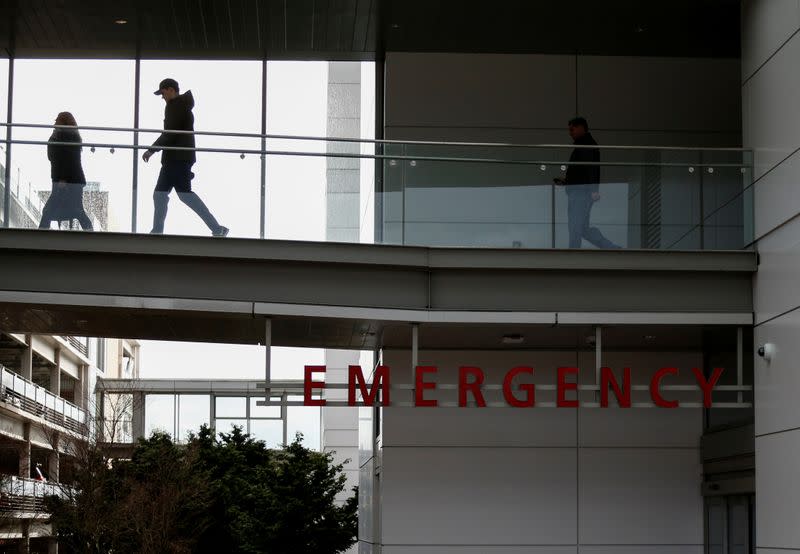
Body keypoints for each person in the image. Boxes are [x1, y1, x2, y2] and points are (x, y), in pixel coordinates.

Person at [142, 78, 228, 236]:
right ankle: (216, 228)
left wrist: (151, 150)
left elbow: (170, 133)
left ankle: (217, 228)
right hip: (177, 157)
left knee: (180, 195)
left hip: (177, 158)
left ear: (171, 90)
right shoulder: (181, 106)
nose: (162, 97)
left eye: (163, 93)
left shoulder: (175, 106)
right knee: (167, 195)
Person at [554, 117, 618, 249]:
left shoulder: (586, 144)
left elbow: (591, 168)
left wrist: (594, 189)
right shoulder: (584, 145)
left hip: (581, 193)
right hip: (580, 191)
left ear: (581, 128)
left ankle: (574, 253)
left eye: (572, 129)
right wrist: (568, 182)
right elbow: (585, 171)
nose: (570, 133)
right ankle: (609, 246)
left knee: (575, 226)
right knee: (581, 227)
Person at [39, 112, 93, 231]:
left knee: (49, 211)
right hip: (67, 180)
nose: (54, 123)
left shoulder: (67, 136)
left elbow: (68, 159)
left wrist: (62, 179)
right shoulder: (64, 135)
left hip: (67, 180)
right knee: (77, 210)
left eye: (57, 120)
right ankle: (91, 233)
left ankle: (40, 238)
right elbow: (56, 157)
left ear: (64, 123)